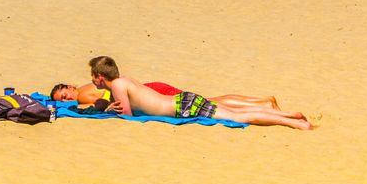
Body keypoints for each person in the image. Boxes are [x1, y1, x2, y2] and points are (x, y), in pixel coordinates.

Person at [85, 56, 313, 130]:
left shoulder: (116, 86)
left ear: (100, 77)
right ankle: (290, 115)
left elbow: (126, 115)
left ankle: (295, 123)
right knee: (233, 111)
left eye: (93, 76)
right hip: (183, 101)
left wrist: (108, 109)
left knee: (238, 117)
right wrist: (106, 106)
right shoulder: (125, 81)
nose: (92, 80)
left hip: (183, 107)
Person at [50, 81, 286, 115]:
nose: (65, 100)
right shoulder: (92, 83)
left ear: (69, 87)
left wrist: (79, 105)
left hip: (153, 94)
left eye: (63, 95)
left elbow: (98, 104)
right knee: (208, 100)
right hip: (149, 89)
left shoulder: (82, 92)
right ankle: (261, 102)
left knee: (210, 102)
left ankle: (262, 103)